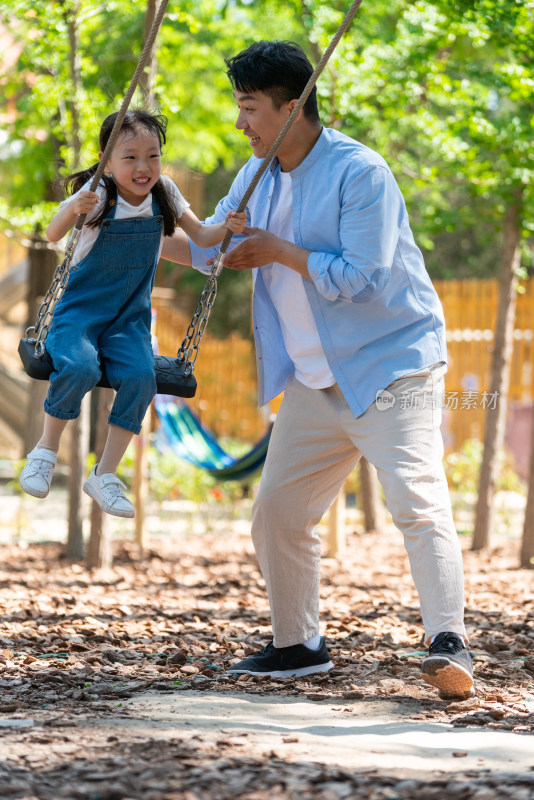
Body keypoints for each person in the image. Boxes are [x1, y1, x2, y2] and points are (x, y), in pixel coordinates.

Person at [161, 42, 473, 698]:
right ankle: (298, 644)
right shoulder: (255, 177)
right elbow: (212, 249)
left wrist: (281, 250)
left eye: (249, 108)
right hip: (315, 379)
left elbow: (365, 276)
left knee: (416, 501)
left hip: (392, 368)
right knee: (277, 509)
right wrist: (123, 233)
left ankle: (449, 643)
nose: (240, 123)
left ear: (292, 105)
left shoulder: (361, 172)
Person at [20, 109, 246, 518]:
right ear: (107, 161)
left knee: (143, 378)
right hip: (80, 314)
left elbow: (204, 237)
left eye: (153, 156)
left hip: (129, 319)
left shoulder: (167, 194)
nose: (144, 167)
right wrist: (73, 207)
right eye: (130, 157)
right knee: (80, 366)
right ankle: (45, 451)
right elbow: (54, 234)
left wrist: (229, 225)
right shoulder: (99, 193)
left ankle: (105, 474)